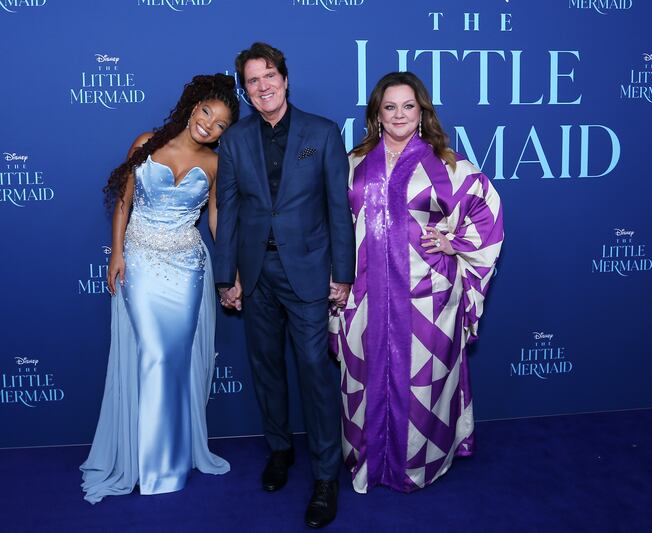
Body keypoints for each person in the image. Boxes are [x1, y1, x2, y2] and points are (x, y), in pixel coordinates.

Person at [331, 72, 503, 493]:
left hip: (428, 296)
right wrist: (335, 277)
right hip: (365, 293)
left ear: (422, 111)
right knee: (364, 374)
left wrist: (453, 241)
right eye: (389, 107)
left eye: (408, 106)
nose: (399, 114)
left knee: (422, 382)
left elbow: (487, 212)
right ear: (377, 114)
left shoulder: (447, 164)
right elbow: (330, 223)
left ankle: (420, 461)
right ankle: (368, 458)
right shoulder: (353, 164)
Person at [213, 42, 355, 528]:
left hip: (311, 272)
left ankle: (324, 475)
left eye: (269, 75)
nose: (263, 85)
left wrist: (343, 272)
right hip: (255, 275)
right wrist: (225, 276)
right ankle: (279, 450)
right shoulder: (234, 141)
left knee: (315, 369)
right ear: (245, 90)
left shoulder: (323, 132)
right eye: (253, 80)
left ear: (286, 79)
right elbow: (228, 211)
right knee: (266, 367)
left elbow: (340, 208)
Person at [80, 74, 240, 504]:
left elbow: (215, 221)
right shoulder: (146, 142)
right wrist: (117, 253)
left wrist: (230, 270)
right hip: (141, 263)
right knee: (152, 355)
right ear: (192, 107)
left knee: (174, 361)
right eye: (207, 112)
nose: (210, 124)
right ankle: (150, 465)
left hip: (187, 269)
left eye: (222, 123)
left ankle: (169, 461)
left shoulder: (215, 163)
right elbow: (124, 201)